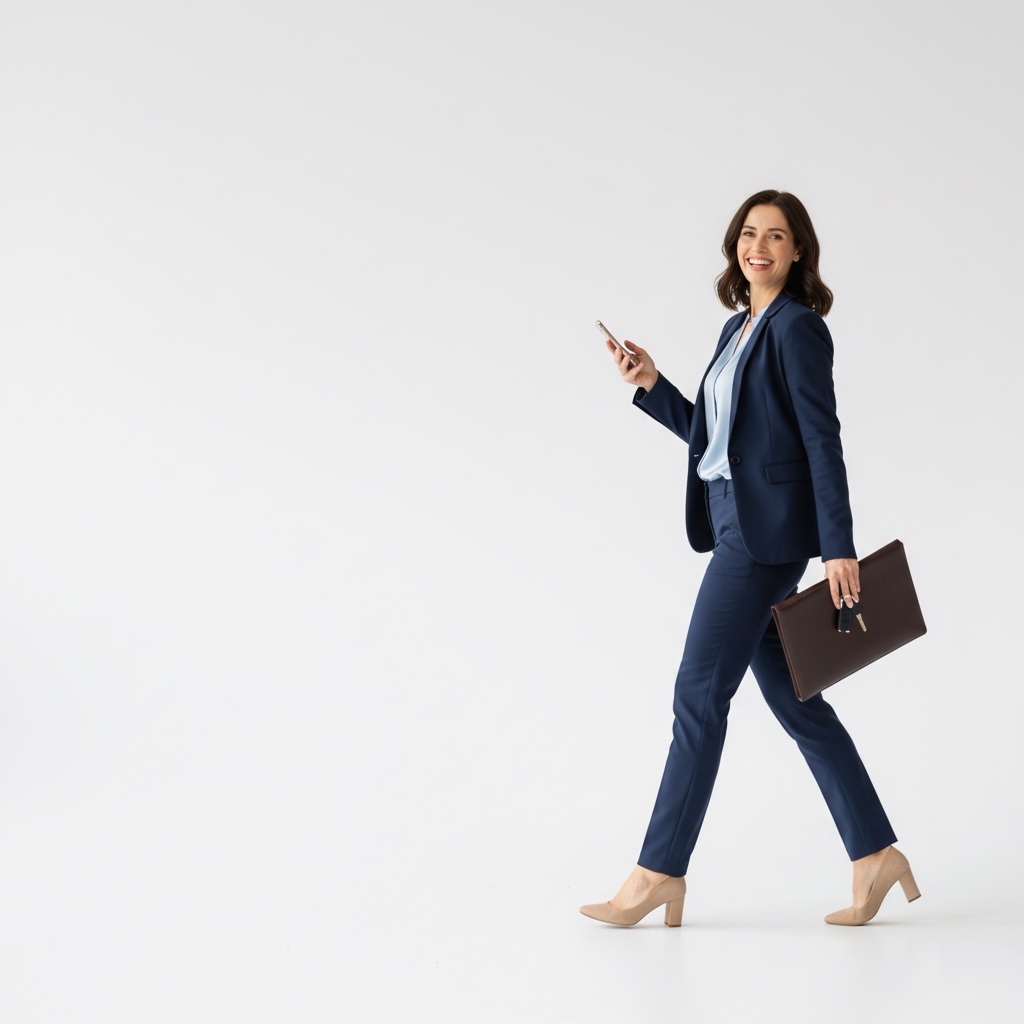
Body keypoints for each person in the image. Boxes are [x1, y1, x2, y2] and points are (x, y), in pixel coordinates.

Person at [580, 190, 920, 928]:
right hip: (733, 517)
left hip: (763, 540)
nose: (758, 245)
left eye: (776, 235)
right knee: (797, 701)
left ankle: (658, 871)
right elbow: (717, 439)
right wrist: (653, 387)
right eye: (748, 233)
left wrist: (838, 547)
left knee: (698, 692)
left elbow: (821, 440)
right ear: (735, 245)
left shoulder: (798, 329)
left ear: (798, 252)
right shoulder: (737, 328)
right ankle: (876, 854)